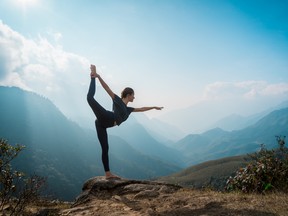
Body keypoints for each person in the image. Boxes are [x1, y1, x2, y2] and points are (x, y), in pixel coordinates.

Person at [87, 64, 163, 179]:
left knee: (105, 148)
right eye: (133, 95)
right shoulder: (118, 100)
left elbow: (142, 109)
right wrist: (98, 76)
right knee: (90, 98)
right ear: (128, 95)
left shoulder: (128, 109)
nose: (134, 98)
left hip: (102, 125)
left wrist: (153, 107)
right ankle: (92, 75)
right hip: (107, 117)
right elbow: (107, 88)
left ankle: (107, 174)